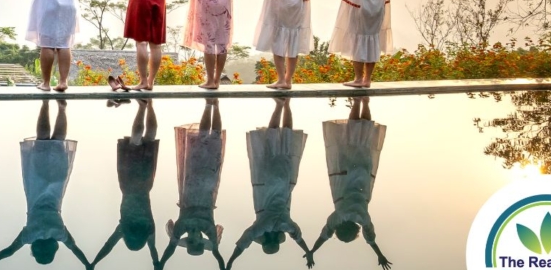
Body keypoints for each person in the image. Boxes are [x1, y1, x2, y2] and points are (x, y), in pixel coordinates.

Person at [0, 100, 91, 267]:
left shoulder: (59, 234)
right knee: (42, 139)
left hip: (57, 182)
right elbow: (10, 250)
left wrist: (88, 264)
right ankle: (45, 104)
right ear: (35, 249)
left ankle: (61, 108)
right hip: (36, 181)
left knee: (58, 140)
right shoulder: (30, 235)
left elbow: (75, 249)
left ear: (53, 249)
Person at [226, 98, 312, 270]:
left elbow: (298, 238)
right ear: (264, 240)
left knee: (286, 138)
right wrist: (229, 263)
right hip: (265, 179)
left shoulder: (286, 224)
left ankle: (286, 104)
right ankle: (279, 105)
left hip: (284, 178)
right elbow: (243, 244)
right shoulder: (260, 227)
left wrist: (308, 251)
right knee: (269, 140)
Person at [308, 97, 392, 270]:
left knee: (365, 139)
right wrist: (311, 251)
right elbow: (325, 235)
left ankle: (365, 102)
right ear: (339, 228)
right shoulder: (337, 216)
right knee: (351, 137)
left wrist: (380, 254)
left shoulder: (363, 218)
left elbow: (371, 239)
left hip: (363, 172)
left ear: (355, 231)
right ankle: (357, 102)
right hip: (346, 171)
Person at [92, 99, 161, 267]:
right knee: (135, 142)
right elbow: (109, 245)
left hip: (145, 183)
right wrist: (93, 263)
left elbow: (153, 251)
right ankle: (143, 106)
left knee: (149, 139)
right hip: (128, 183)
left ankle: (149, 104)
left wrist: (157, 262)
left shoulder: (148, 229)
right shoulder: (124, 229)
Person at [160, 99, 228, 269]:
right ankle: (216, 105)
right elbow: (217, 255)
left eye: (190, 241)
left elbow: (171, 247)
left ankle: (208, 104)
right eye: (195, 241)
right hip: (208, 182)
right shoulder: (209, 231)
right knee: (215, 138)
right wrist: (223, 266)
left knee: (202, 138)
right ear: (200, 240)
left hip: (191, 182)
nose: (192, 238)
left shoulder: (182, 226)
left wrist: (160, 263)